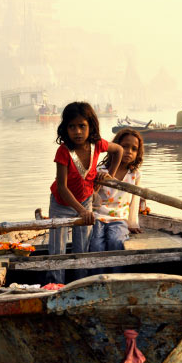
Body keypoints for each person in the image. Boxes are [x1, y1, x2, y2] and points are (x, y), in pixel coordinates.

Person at [48, 101, 123, 284]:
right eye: (72, 127)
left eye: (82, 126)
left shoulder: (97, 145)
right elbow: (62, 187)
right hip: (61, 204)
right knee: (57, 250)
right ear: (66, 128)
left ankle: (79, 284)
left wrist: (109, 176)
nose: (78, 131)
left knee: (82, 248)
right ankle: (55, 286)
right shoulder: (63, 152)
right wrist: (81, 211)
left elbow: (118, 150)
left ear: (90, 126)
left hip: (86, 201)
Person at [90, 128, 144, 256]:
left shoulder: (134, 174)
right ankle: (97, 275)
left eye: (134, 149)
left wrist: (133, 223)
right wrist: (98, 183)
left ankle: (116, 275)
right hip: (98, 216)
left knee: (116, 242)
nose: (128, 152)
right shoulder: (101, 170)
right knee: (96, 245)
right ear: (115, 147)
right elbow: (92, 197)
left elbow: (135, 200)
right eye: (124, 147)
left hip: (119, 218)